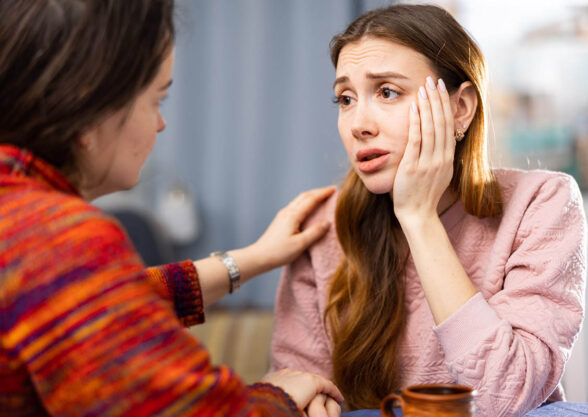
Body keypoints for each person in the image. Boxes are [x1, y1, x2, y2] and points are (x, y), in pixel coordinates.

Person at [0, 1, 343, 416]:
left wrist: (254, 258)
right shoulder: (54, 238)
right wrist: (278, 395)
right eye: (157, 100)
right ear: (88, 105)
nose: (162, 124)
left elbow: (108, 298)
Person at [271, 4, 587, 416]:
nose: (357, 124)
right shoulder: (321, 226)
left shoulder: (541, 203)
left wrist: (418, 218)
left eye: (387, 92)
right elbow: (297, 391)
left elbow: (503, 397)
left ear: (461, 108)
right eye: (345, 98)